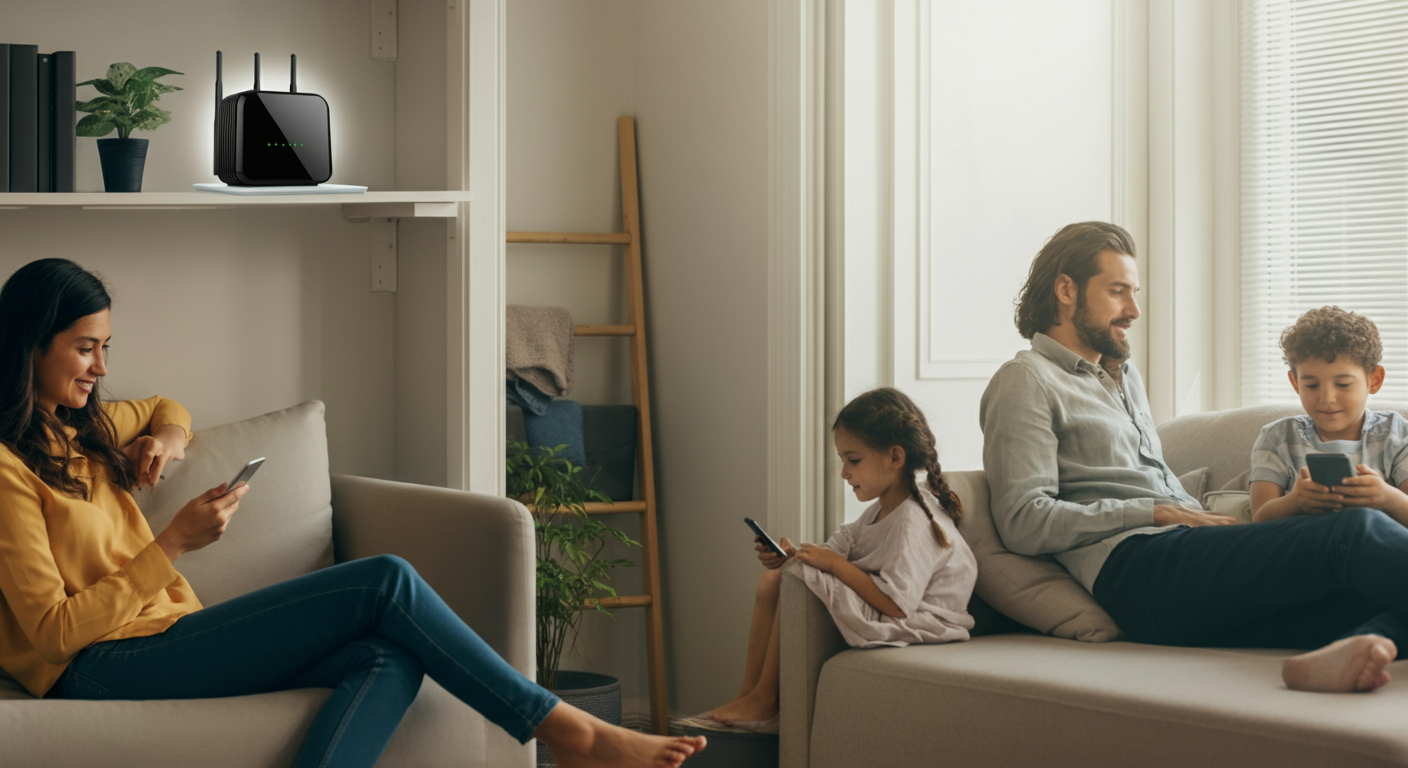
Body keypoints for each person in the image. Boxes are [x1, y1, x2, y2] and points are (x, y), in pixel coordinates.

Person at [0, 258, 706, 768]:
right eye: (83, 348)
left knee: (385, 656)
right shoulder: (6, 469)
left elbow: (164, 407)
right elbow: (53, 632)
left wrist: (171, 439)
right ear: (30, 347)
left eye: (104, 348)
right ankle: (566, 732)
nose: (98, 368)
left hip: (169, 636)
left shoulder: (83, 425)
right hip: (98, 666)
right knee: (384, 583)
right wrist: (174, 544)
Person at [981, 221, 1407, 695]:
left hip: (1185, 562)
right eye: (1118, 291)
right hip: (1138, 567)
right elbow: (1022, 520)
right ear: (1066, 290)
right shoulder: (1026, 381)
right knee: (1354, 532)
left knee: (1367, 595)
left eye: (1135, 292)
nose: (1134, 310)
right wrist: (1156, 511)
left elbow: (1155, 478)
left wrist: (1201, 517)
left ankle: (1360, 646)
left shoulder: (1123, 376)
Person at [702, 387, 976, 731]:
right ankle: (751, 692)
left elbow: (897, 603)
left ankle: (767, 700)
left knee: (799, 577)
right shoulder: (882, 509)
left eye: (854, 460)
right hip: (895, 605)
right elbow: (841, 547)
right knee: (775, 577)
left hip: (919, 618)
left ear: (895, 457)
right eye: (843, 461)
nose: (845, 473)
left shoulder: (914, 520)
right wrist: (792, 555)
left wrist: (829, 565)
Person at [1250, 306, 1408, 526]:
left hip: (1372, 548)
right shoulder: (1277, 438)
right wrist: (1295, 501)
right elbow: (1259, 521)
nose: (1327, 398)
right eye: (1312, 385)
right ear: (1295, 383)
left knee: (1362, 521)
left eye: (1343, 384)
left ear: (1374, 380)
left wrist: (1387, 498)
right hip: (1309, 546)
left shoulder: (1397, 433)